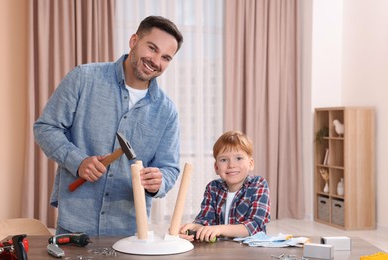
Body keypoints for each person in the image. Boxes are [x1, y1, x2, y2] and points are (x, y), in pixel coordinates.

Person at [33, 16, 184, 236]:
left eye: (166, 57)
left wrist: (159, 181)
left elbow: (169, 168)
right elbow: (45, 128)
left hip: (130, 231)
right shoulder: (83, 78)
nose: (156, 60)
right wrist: (78, 161)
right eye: (152, 48)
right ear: (134, 41)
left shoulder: (167, 111)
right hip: (75, 224)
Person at [179, 131, 270, 242]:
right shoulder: (212, 188)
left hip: (249, 250)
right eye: (223, 160)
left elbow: (255, 226)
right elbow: (206, 221)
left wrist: (219, 229)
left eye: (239, 158)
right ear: (216, 167)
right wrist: (194, 228)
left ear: (250, 164)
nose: (231, 165)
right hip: (220, 250)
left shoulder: (258, 184)